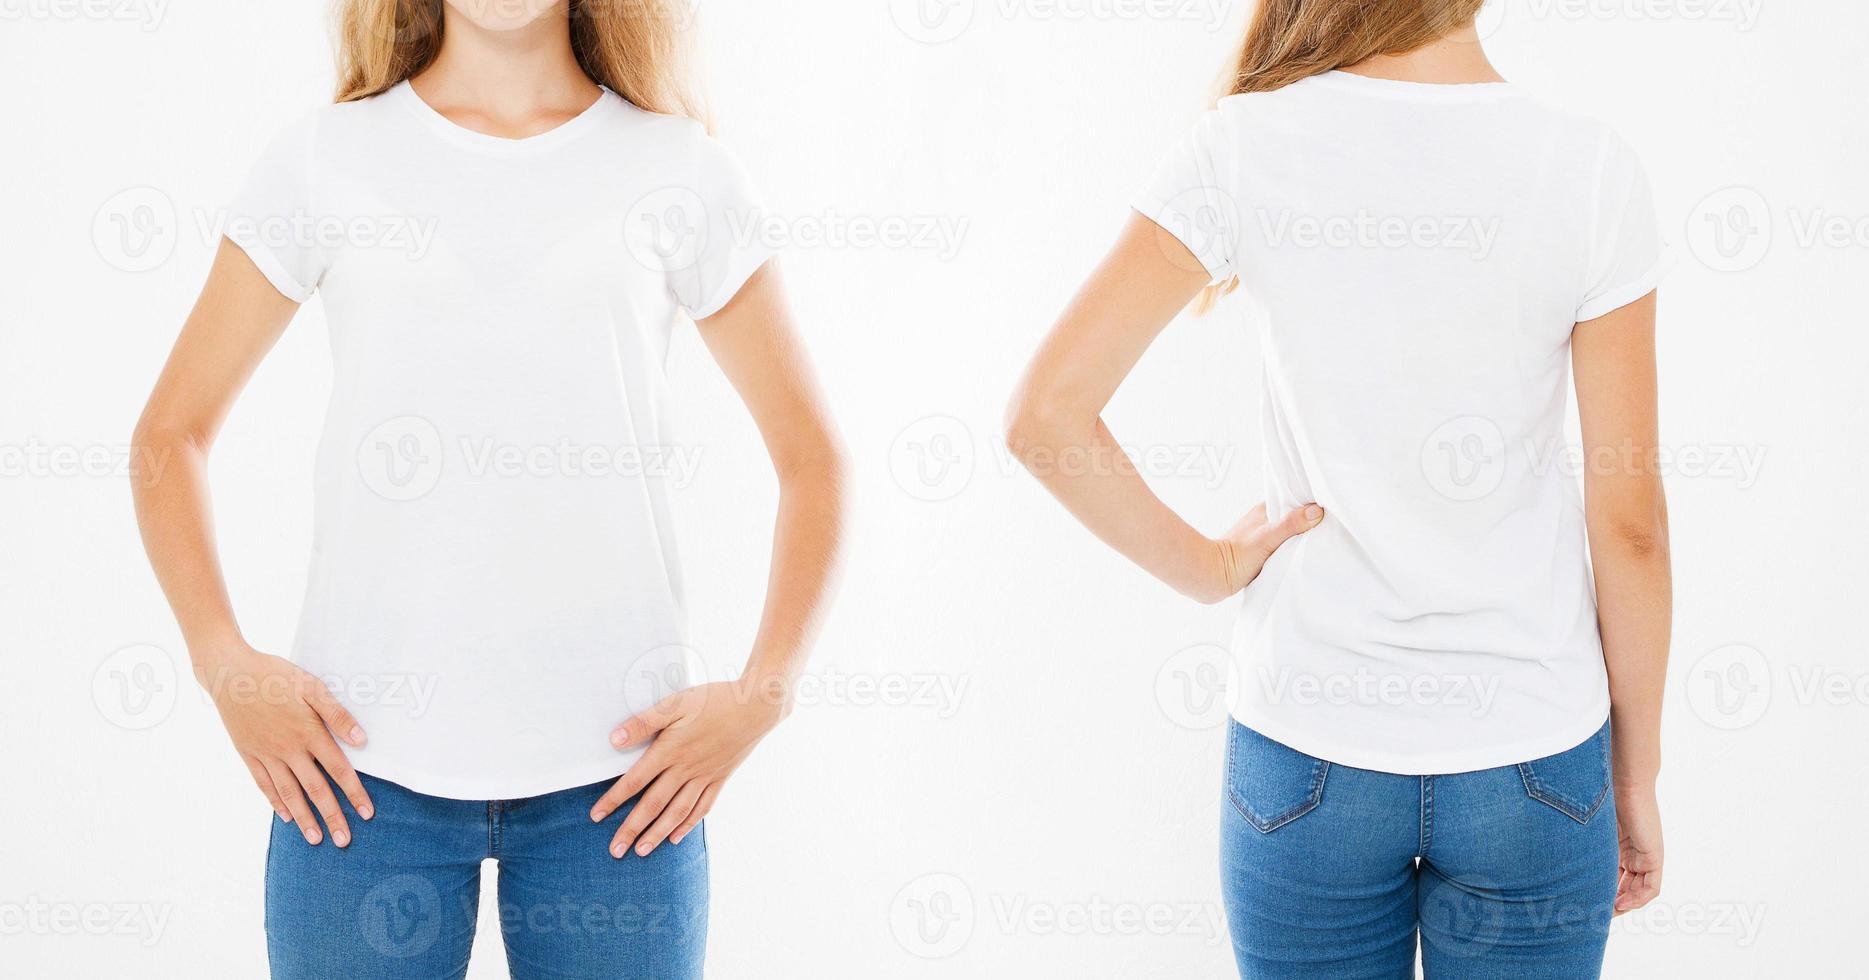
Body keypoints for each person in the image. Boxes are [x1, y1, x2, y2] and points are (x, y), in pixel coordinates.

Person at [129, 1, 847, 976]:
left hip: (624, 795)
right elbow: (170, 436)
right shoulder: (324, 159)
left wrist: (767, 691)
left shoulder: (678, 167)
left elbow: (814, 456)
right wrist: (223, 661)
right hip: (355, 782)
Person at [1005, 2, 1671, 975]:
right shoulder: (1590, 168)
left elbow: (1045, 415)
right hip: (1532, 756)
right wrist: (1638, 774)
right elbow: (1631, 523)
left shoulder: (1243, 143)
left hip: (1306, 747)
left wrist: (1209, 568)